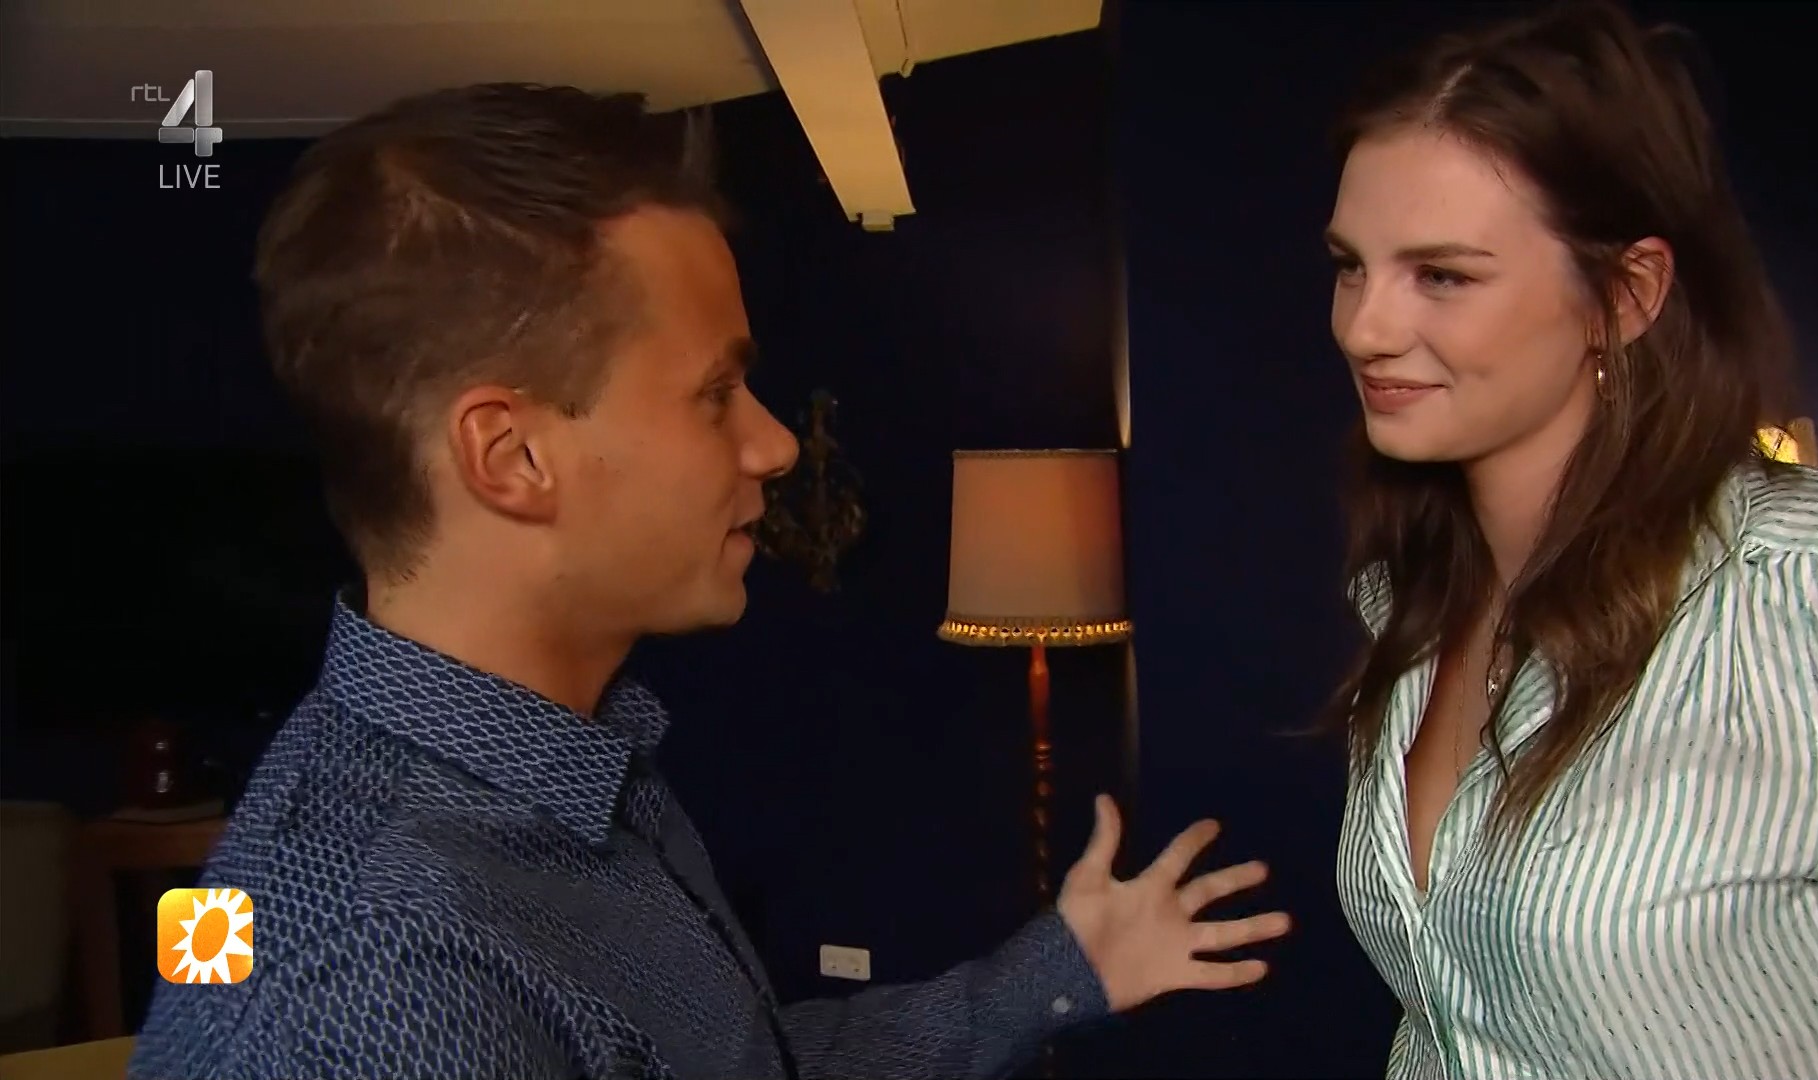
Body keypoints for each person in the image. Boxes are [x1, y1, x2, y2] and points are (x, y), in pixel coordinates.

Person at [128, 84, 1292, 1080]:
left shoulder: (573, 766)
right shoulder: (370, 978)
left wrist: (1058, 973)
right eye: (715, 393)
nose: (775, 444)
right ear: (512, 457)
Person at [1317, 3, 1818, 1078]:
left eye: (1442, 275)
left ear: (1626, 295)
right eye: (1351, 265)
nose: (1364, 327)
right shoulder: (1408, 606)